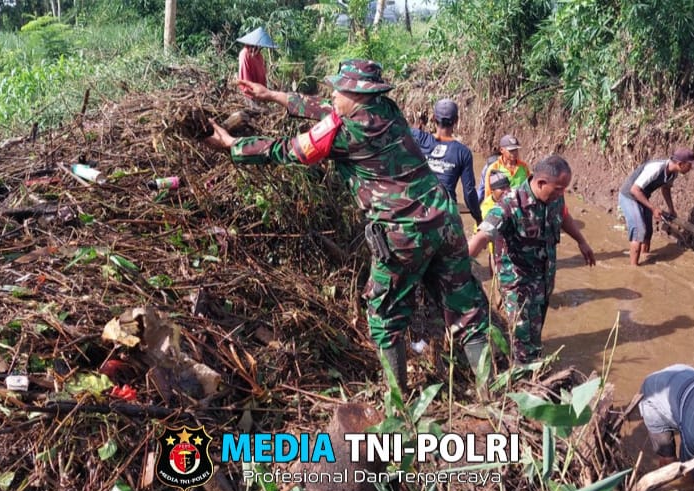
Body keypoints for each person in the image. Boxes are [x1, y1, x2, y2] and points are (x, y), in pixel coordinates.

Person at [203, 59, 492, 396]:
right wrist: (272, 95)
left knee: (384, 315)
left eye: (339, 89)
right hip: (446, 222)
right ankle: (490, 392)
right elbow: (327, 108)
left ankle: (398, 403)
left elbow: (288, 150)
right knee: (465, 308)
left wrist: (231, 145)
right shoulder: (388, 110)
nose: (333, 94)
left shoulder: (344, 135)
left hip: (403, 233)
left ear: (357, 95)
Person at [468, 154, 596, 363]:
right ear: (541, 182)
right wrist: (458, 268)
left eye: (564, 189)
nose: (562, 193)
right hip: (517, 284)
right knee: (521, 339)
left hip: (544, 279)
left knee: (535, 334)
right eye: (558, 189)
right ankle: (521, 371)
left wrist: (581, 241)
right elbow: (483, 235)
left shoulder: (555, 197)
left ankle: (533, 358)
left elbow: (563, 216)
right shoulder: (510, 204)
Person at [618, 148, 694, 266]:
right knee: (639, 230)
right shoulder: (656, 168)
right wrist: (653, 209)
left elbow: (666, 188)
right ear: (680, 164)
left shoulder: (673, 173)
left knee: (648, 231)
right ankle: (634, 268)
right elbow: (634, 190)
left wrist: (671, 209)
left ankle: (645, 256)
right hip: (629, 196)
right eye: (689, 165)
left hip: (642, 196)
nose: (691, 168)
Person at [410, 98, 482, 223]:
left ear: (433, 118)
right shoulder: (463, 152)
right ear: (456, 120)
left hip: (418, 210)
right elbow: (469, 193)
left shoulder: (419, 138)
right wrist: (478, 218)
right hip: (446, 214)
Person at [476, 134, 530, 221]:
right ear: (502, 150)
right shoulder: (494, 168)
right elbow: (488, 195)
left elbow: (529, 189)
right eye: (511, 150)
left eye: (516, 150)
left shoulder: (523, 167)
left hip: (520, 211)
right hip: (502, 211)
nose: (514, 153)